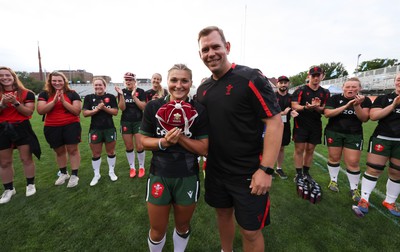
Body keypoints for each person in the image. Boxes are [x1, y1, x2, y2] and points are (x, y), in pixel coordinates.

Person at [196, 26, 283, 252]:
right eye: (205, 49)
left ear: (227, 47)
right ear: (200, 55)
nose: (211, 53)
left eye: (216, 46)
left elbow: (274, 122)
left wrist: (266, 170)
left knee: (251, 231)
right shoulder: (202, 90)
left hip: (249, 172)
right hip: (215, 170)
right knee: (223, 214)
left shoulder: (250, 78)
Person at [140, 64, 208, 252]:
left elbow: (204, 149)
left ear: (191, 83)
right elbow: (143, 141)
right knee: (157, 230)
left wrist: (181, 138)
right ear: (167, 82)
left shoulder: (199, 110)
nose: (179, 85)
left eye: (184, 81)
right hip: (159, 173)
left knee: (183, 226)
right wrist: (163, 142)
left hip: (187, 176)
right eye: (174, 80)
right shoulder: (154, 106)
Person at [354, 73, 400, 217]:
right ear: (395, 82)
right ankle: (364, 199)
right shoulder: (384, 98)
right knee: (374, 170)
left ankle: (390, 201)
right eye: (399, 79)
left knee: (397, 172)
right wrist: (393, 105)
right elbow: (374, 116)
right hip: (382, 138)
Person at [323, 77, 371, 201]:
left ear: (359, 88)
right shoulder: (334, 98)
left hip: (354, 134)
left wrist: (356, 106)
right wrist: (346, 106)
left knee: (353, 162)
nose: (350, 89)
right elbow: (328, 113)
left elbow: (364, 118)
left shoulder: (364, 101)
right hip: (334, 132)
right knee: (334, 158)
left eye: (354, 87)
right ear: (343, 87)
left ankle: (354, 188)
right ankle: (333, 181)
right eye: (348, 86)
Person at [0, 66, 40, 204]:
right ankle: (9, 189)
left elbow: (28, 112)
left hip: (21, 127)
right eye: (1, 75)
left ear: (13, 76)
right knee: (4, 162)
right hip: (2, 128)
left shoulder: (26, 93)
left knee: (26, 158)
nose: (4, 78)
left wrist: (15, 102)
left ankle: (30, 184)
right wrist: (3, 104)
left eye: (7, 75)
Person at [37, 71, 82, 188]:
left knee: (73, 150)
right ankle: (63, 173)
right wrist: (53, 102)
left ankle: (74, 175)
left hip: (71, 125)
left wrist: (62, 102)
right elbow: (41, 111)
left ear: (64, 81)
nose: (57, 83)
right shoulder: (44, 94)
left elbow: (76, 111)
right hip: (52, 126)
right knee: (59, 151)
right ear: (50, 82)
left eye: (59, 80)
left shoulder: (72, 93)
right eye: (54, 81)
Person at [291, 66, 330, 184]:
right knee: (299, 149)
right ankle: (298, 174)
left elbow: (325, 109)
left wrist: (318, 108)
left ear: (322, 76)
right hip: (301, 123)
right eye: (314, 75)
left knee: (310, 150)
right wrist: (305, 107)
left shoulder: (325, 92)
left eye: (318, 75)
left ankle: (306, 172)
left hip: (315, 124)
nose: (316, 78)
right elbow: (294, 105)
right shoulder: (301, 90)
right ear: (309, 76)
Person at [82, 77, 119, 186]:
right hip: (95, 129)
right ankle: (96, 175)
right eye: (96, 85)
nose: (98, 87)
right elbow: (85, 113)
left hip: (109, 128)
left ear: (104, 86)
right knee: (96, 153)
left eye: (100, 85)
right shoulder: (89, 98)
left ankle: (111, 172)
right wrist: (97, 109)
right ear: (93, 86)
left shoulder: (110, 97)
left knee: (111, 152)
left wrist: (104, 108)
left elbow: (115, 112)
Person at [115, 72, 147, 178]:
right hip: (126, 121)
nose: (128, 81)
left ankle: (141, 167)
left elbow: (143, 107)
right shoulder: (122, 92)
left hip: (138, 121)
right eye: (126, 79)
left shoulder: (141, 91)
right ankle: (132, 167)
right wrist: (121, 95)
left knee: (139, 146)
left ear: (134, 81)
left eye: (130, 79)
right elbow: (122, 108)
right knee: (129, 146)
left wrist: (134, 97)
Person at [274, 75, 298, 180]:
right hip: (273, 124)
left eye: (285, 82)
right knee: (269, 146)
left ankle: (278, 168)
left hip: (285, 125)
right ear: (277, 84)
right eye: (281, 82)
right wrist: (282, 113)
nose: (283, 84)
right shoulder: (272, 96)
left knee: (282, 147)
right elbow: (268, 111)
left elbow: (293, 108)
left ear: (288, 84)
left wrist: (293, 112)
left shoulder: (291, 97)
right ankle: (267, 168)